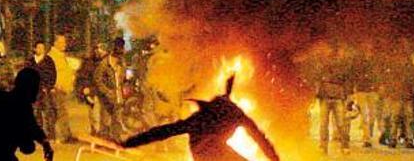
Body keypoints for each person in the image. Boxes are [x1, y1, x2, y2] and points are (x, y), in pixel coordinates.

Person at [120, 76, 280, 161]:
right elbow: (260, 138)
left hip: (200, 154)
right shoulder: (236, 114)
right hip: (215, 153)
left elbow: (165, 131)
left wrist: (131, 142)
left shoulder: (201, 116)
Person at [0, 68, 54, 161]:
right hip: (0, 154)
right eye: (36, 87)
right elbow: (27, 146)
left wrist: (44, 142)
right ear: (31, 88)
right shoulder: (20, 106)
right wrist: (43, 143)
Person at [75, 42, 108, 136]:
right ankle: (96, 134)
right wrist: (85, 89)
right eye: (97, 48)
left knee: (104, 117)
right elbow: (82, 77)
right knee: (94, 115)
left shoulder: (109, 62)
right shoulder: (88, 62)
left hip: (105, 93)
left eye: (102, 48)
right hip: (93, 92)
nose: (99, 51)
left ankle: (102, 135)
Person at [27, 41, 57, 141]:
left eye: (42, 48)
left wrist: (49, 87)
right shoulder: (30, 61)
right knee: (35, 113)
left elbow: (53, 75)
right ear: (35, 49)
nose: (40, 49)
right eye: (38, 47)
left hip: (45, 91)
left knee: (48, 112)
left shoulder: (48, 61)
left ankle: (51, 135)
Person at [48, 34, 75, 143]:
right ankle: (65, 136)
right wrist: (55, 85)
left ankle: (56, 135)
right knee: (61, 113)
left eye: (64, 42)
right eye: (62, 42)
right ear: (55, 43)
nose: (64, 44)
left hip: (63, 89)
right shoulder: (52, 56)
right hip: (57, 89)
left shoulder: (60, 55)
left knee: (59, 113)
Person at [94, 47, 124, 140]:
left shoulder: (121, 65)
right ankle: (104, 140)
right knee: (105, 121)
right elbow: (98, 80)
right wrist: (106, 91)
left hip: (118, 97)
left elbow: (121, 80)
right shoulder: (103, 65)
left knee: (117, 120)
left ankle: (116, 139)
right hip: (106, 98)